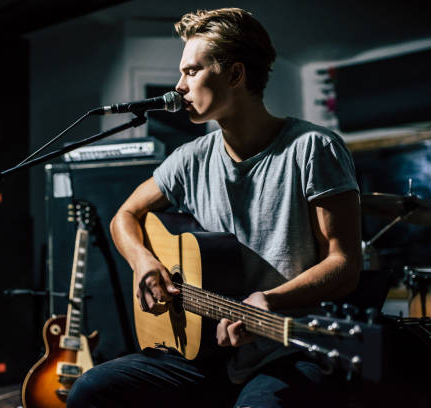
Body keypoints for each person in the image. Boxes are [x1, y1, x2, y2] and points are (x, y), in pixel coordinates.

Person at [67, 7, 361, 408]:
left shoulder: (312, 148)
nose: (179, 86)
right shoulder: (189, 159)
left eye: (191, 71)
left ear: (236, 75)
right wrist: (143, 263)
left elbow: (344, 262)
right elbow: (125, 216)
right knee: (90, 391)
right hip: (206, 352)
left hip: (287, 346)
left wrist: (269, 300)